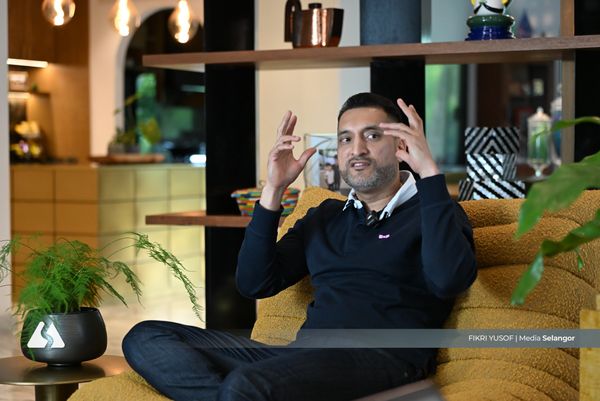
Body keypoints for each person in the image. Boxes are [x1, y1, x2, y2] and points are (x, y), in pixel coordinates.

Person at [122, 92, 477, 401]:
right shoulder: (325, 216)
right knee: (146, 337)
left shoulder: (435, 211)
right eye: (345, 139)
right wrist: (273, 189)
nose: (357, 150)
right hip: (302, 360)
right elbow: (254, 283)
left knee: (247, 386)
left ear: (402, 146)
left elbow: (448, 280)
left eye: (372, 136)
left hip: (386, 360)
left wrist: (430, 175)